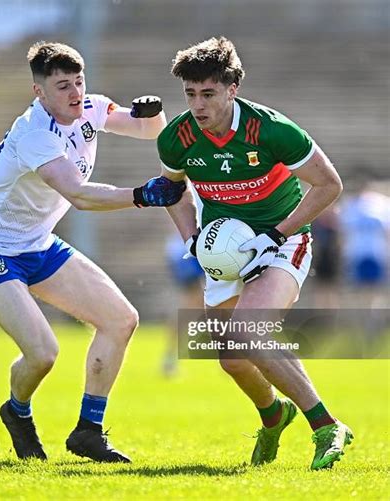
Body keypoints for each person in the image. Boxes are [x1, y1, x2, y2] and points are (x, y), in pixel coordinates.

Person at [0, 42, 185, 463]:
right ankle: (17, 411)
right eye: (62, 86)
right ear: (38, 92)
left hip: (38, 242)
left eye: (79, 82)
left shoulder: (91, 107)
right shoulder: (34, 135)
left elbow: (148, 131)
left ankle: (88, 431)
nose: (75, 93)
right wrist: (141, 195)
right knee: (43, 354)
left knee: (121, 320)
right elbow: (78, 195)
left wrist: (154, 114)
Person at [157, 36, 352, 470]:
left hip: (282, 242)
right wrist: (191, 236)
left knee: (248, 332)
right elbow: (173, 190)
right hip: (224, 249)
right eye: (190, 94)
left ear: (233, 89)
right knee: (232, 359)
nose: (198, 105)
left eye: (208, 93)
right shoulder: (177, 139)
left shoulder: (271, 130)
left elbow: (329, 185)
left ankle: (326, 425)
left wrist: (277, 235)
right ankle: (273, 415)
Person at [162, 231, 204, 376]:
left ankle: (169, 358)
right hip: (189, 249)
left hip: (189, 247)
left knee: (192, 305)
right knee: (191, 305)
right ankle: (169, 358)